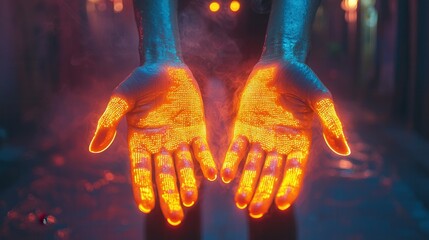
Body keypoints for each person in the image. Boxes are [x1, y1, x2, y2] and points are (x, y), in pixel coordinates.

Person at [89, 0, 350, 239]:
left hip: (257, 25)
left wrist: (285, 50)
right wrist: (160, 53)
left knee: (265, 156)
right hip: (186, 18)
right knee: (175, 149)